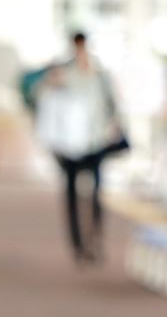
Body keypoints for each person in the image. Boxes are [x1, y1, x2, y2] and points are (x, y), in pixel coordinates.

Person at [35, 32, 122, 265]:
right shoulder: (64, 73)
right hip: (70, 145)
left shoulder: (99, 74)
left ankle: (95, 239)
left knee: (96, 194)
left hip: (96, 141)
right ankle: (78, 244)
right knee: (71, 193)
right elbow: (42, 95)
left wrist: (113, 124)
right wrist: (50, 81)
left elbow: (112, 104)